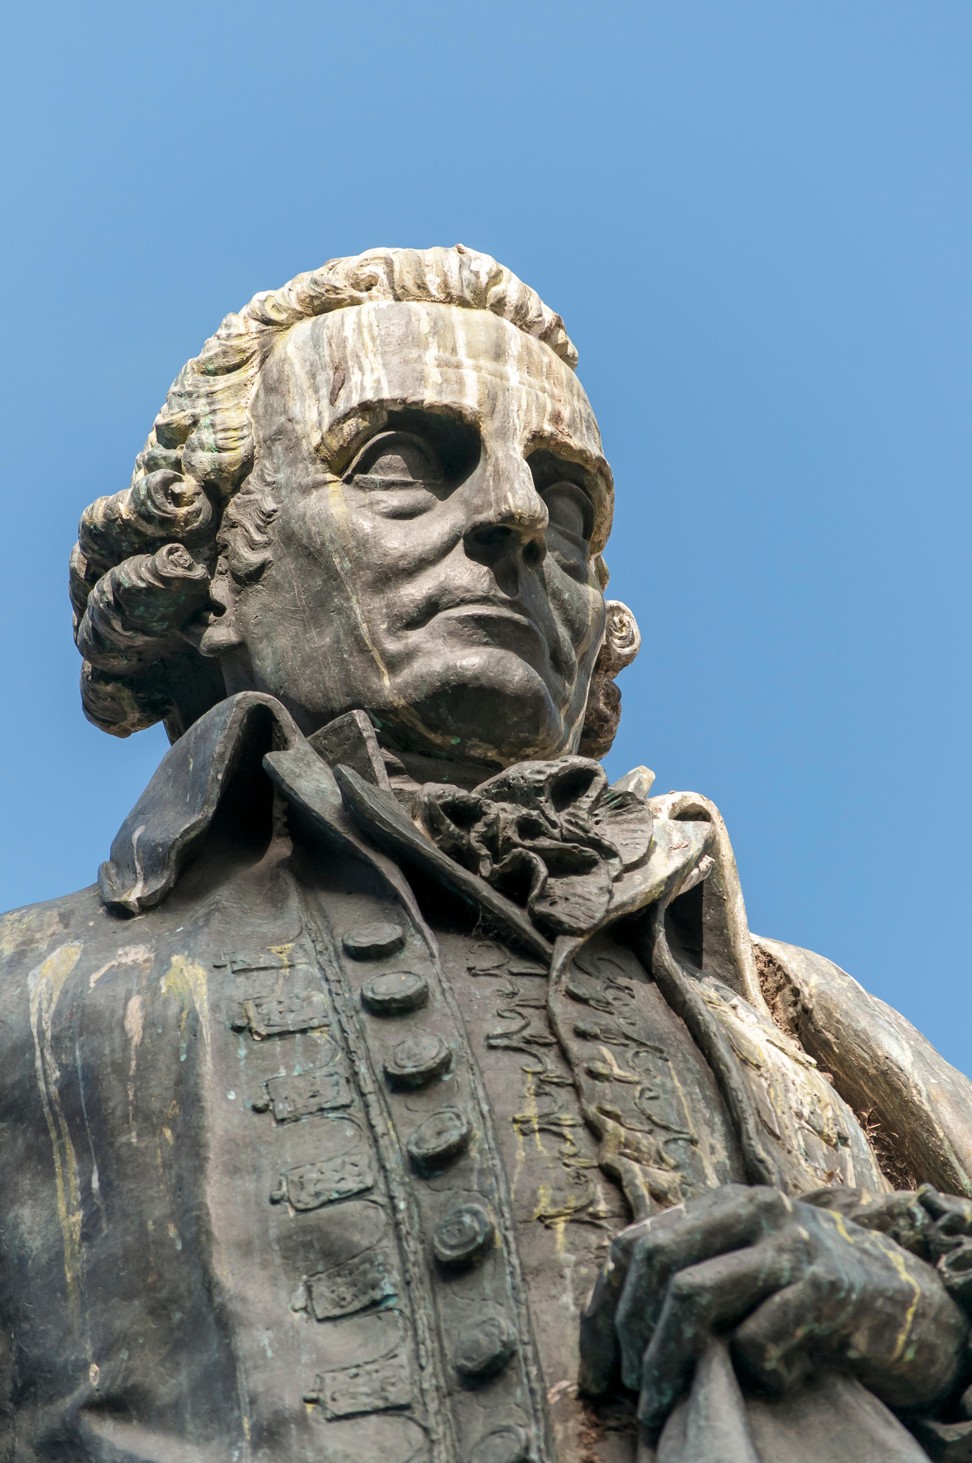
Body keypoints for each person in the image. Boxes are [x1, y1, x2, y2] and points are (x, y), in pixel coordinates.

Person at [2, 245, 972, 1463]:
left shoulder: (799, 1021)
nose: (516, 517)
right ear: (212, 575)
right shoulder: (26, 996)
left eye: (565, 505)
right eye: (402, 467)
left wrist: (928, 1323)